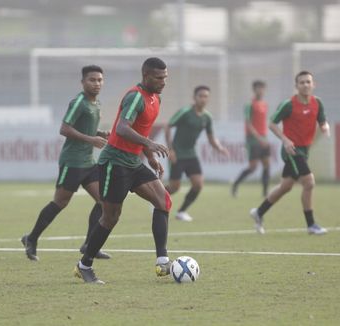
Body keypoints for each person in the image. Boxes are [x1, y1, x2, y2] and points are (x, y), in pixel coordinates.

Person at [74, 57, 170, 284]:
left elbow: (141, 129)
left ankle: (162, 261)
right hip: (114, 162)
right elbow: (122, 128)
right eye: (159, 78)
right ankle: (84, 265)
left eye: (165, 77)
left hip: (133, 162)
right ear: (146, 76)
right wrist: (150, 145)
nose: (163, 81)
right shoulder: (135, 96)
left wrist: (150, 157)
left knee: (163, 201)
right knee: (110, 218)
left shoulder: (156, 97)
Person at [21, 65, 111, 261]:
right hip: (72, 162)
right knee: (60, 202)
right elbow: (64, 129)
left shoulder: (97, 104)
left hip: (88, 162)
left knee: (104, 202)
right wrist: (91, 140)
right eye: (92, 80)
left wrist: (99, 134)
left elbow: (84, 128)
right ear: (83, 82)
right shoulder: (79, 102)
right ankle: (31, 238)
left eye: (99, 80)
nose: (97, 83)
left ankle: (89, 246)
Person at [250, 71, 330, 235]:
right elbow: (272, 124)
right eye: (302, 82)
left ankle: (259, 212)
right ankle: (311, 225)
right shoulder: (289, 104)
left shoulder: (317, 103)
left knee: (285, 187)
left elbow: (322, 120)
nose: (306, 85)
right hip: (291, 150)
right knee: (309, 182)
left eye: (308, 82)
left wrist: (324, 127)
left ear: (313, 85)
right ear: (296, 86)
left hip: (305, 150)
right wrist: (285, 140)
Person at [165, 86, 228, 222]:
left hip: (191, 154)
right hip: (178, 154)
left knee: (198, 184)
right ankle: (156, 199)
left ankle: (181, 212)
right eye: (201, 96)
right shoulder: (185, 112)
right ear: (194, 98)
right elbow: (168, 126)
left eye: (206, 96)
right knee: (175, 187)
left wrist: (220, 148)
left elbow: (211, 138)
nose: (203, 99)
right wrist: (170, 150)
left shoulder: (207, 117)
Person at [231, 80, 271, 197]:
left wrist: (264, 137)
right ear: (254, 90)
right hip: (253, 139)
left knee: (266, 164)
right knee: (253, 167)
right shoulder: (249, 105)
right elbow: (248, 124)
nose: (261, 90)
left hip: (264, 138)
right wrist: (259, 138)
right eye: (258, 88)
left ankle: (265, 193)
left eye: (262, 88)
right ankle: (235, 184)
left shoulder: (264, 104)